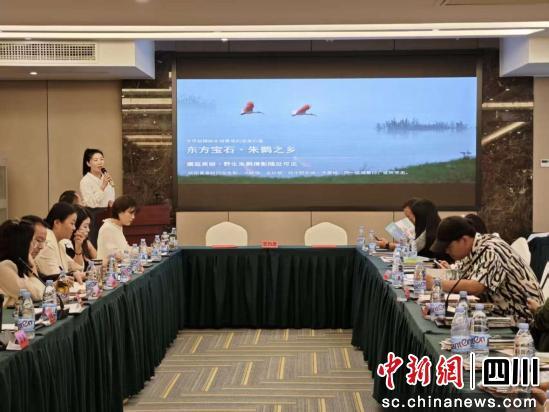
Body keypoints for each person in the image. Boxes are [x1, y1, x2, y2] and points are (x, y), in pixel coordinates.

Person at [426, 216, 543, 321]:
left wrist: (436, 283)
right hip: (497, 313)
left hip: (522, 319)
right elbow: (461, 274)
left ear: (464, 240)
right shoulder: (473, 248)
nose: (446, 251)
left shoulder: (491, 249)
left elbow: (476, 286)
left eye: (448, 247)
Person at [34, 202, 85, 282]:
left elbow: (78, 269)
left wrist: (78, 247)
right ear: (57, 223)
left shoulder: (60, 243)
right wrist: (74, 274)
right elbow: (57, 280)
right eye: (72, 223)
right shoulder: (47, 244)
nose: (74, 228)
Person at [0, 220, 45, 306]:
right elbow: (36, 294)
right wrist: (32, 266)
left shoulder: (16, 266)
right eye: (32, 241)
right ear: (22, 245)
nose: (34, 245)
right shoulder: (3, 267)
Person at [97, 195, 136, 260]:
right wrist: (138, 252)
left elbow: (126, 249)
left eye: (134, 214)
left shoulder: (117, 226)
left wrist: (142, 249)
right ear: (119, 212)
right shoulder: (107, 228)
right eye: (130, 213)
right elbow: (115, 255)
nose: (133, 217)